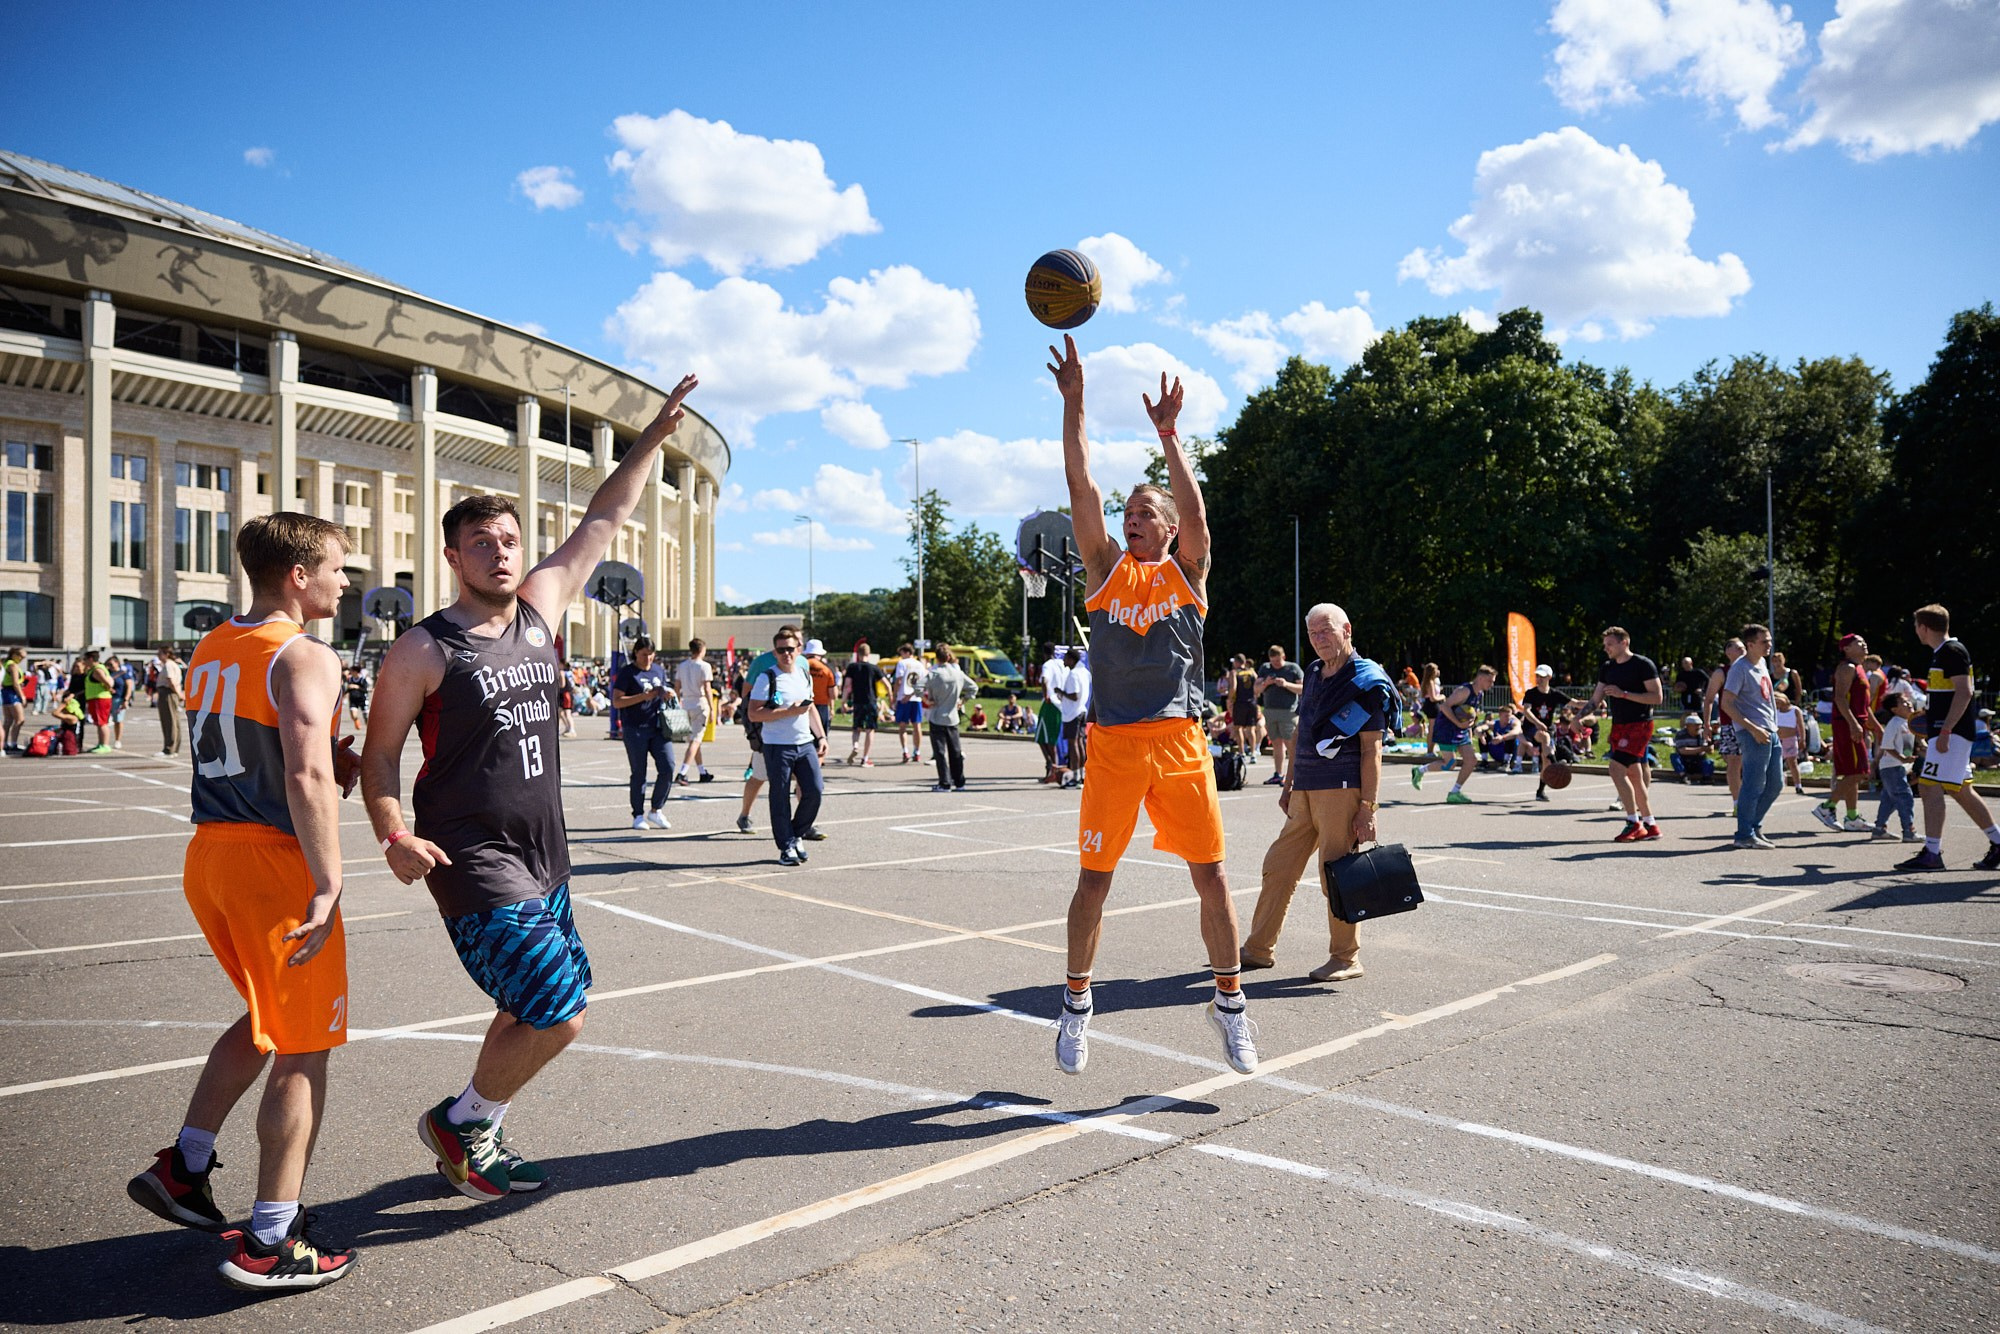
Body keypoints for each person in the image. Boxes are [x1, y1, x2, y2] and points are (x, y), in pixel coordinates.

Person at [361, 371, 698, 1201]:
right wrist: (393, 834)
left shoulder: (543, 608)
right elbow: (378, 756)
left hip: (545, 856)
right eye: (482, 543)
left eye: (508, 540)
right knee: (558, 1008)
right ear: (452, 556)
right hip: (472, 859)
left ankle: (472, 1126)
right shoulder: (423, 649)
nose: (501, 553)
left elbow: (604, 517)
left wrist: (652, 439)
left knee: (545, 1003)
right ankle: (463, 1121)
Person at [125, 512, 359, 1291]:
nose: (345, 581)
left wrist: (332, 758)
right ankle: (272, 1237)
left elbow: (271, 750)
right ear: (298, 576)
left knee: (265, 1021)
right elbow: (303, 774)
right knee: (301, 1047)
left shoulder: (217, 644)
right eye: (336, 567)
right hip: (271, 862)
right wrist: (327, 881)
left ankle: (185, 1166)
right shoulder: (304, 654)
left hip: (212, 853)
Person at [1046, 337, 1256, 1076]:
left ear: (1167, 529)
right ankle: (1075, 1003)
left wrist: (1170, 437)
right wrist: (1074, 405)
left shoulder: (1188, 573)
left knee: (1215, 876)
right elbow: (1081, 487)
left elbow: (1197, 513)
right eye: (1128, 512)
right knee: (1093, 882)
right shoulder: (1105, 572)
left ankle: (1229, 1004)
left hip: (1180, 743)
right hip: (1113, 747)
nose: (1132, 519)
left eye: (1145, 513)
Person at [1240, 602, 1391, 984]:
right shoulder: (1313, 671)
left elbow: (1373, 749)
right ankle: (1258, 949)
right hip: (1306, 787)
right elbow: (1300, 731)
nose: (1320, 639)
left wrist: (1368, 808)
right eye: (1313, 633)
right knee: (1278, 867)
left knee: (1336, 876)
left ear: (1347, 630)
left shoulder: (1366, 679)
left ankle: (1346, 957)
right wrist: (1290, 783)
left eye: (1327, 630)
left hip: (1341, 789)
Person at [1899, 604, 2000, 871]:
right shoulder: (1942, 653)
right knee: (1960, 790)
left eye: (1916, 626)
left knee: (1929, 786)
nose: (1916, 631)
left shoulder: (1952, 651)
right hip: (1947, 732)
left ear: (1924, 627)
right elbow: (1950, 694)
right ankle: (1997, 842)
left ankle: (1932, 853)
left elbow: (1965, 692)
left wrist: (1944, 730)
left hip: (1951, 734)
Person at [747, 625, 828, 865]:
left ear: (799, 649)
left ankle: (796, 833)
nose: (786, 654)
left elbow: (810, 706)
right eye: (781, 650)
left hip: (804, 743)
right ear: (775, 651)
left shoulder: (803, 673)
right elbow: (754, 714)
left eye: (790, 649)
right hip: (777, 745)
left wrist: (821, 736)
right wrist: (788, 711)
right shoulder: (767, 677)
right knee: (779, 796)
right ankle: (786, 846)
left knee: (814, 790)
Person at [1589, 627, 1665, 842]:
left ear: (1624, 643)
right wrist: (1577, 719)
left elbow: (1657, 697)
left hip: (1639, 725)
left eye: (1610, 644)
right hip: (1619, 725)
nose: (1606, 649)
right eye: (1605, 645)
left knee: (1616, 768)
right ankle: (1650, 824)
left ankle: (1633, 822)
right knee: (1635, 775)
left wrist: (1624, 694)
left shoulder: (1643, 664)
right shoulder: (1607, 668)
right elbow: (1596, 699)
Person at [1724, 624, 1782, 850]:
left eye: (1769, 640)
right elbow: (1727, 703)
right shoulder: (1740, 668)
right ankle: (1744, 834)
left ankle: (1753, 826)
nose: (1769, 645)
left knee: (1775, 784)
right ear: (1750, 645)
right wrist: (1752, 728)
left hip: (1770, 731)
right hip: (1753, 733)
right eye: (1764, 641)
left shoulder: (1762, 663)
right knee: (1753, 785)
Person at [1815, 633, 1880, 833]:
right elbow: (1840, 699)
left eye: (1863, 640)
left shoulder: (1860, 669)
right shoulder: (1847, 668)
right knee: (1861, 771)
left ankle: (1852, 818)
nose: (1864, 644)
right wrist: (1853, 724)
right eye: (1858, 642)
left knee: (1853, 772)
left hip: (1855, 723)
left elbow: (1863, 705)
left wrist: (1876, 727)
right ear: (1846, 648)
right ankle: (1826, 808)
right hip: (1846, 724)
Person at [611, 636, 676, 831]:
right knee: (639, 773)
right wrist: (643, 697)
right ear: (636, 654)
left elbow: (663, 690)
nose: (648, 658)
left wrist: (667, 694)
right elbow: (617, 701)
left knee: (668, 766)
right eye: (643, 655)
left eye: (651, 654)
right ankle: (637, 814)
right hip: (635, 728)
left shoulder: (659, 670)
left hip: (658, 727)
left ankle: (656, 809)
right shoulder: (627, 673)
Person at [1411, 666, 1492, 803]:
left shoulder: (1479, 694)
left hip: (1461, 730)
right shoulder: (1464, 691)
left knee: (1471, 760)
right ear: (1480, 678)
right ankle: (1419, 770)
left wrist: (1469, 727)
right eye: (1490, 681)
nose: (1492, 684)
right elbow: (1444, 706)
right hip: (1446, 728)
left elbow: (1469, 714)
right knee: (1450, 764)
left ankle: (1454, 792)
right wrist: (1459, 723)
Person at [1702, 639, 1745, 812]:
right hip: (1730, 724)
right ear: (1728, 651)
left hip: (1752, 724)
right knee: (1734, 762)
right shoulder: (1722, 673)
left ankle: (1749, 800)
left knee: (1752, 763)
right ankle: (1737, 803)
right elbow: (1709, 699)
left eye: (1744, 648)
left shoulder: (1753, 669)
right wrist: (1706, 724)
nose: (1743, 651)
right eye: (1739, 648)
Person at [923, 644, 970, 791]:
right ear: (949, 657)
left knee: (940, 752)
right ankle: (960, 781)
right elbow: (973, 687)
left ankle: (944, 782)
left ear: (937, 658)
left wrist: (927, 701)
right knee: (955, 751)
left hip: (937, 715)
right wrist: (963, 700)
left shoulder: (933, 673)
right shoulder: (957, 672)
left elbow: (918, 687)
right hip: (952, 716)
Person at [1872, 691, 1918, 842]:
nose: (1909, 703)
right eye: (1904, 702)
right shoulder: (1895, 723)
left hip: (1898, 767)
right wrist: (1902, 759)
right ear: (1894, 709)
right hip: (1892, 767)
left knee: (1889, 800)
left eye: (1908, 701)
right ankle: (1909, 831)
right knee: (1905, 798)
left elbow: (1910, 744)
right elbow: (1887, 746)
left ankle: (1879, 829)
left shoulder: (1907, 723)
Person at [1256, 644, 1305, 785]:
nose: (1275, 664)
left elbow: (1303, 689)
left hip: (1288, 712)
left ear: (1283, 657)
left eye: (1278, 661)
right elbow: (1256, 689)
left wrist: (1285, 684)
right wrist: (1266, 683)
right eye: (1273, 661)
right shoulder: (1265, 668)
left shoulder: (1293, 668)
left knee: (1291, 744)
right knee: (1277, 744)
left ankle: (1297, 775)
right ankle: (1278, 774)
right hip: (1270, 711)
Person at [1520, 664, 1567, 800]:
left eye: (1542, 676)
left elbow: (1575, 703)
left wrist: (1596, 702)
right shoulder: (1531, 693)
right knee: (1545, 737)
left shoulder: (1554, 694)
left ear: (1549, 677)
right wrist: (1537, 723)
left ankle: (1540, 791)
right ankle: (1556, 762)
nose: (1539, 679)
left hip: (1547, 728)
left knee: (1545, 762)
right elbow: (1527, 711)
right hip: (1531, 728)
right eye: (1537, 676)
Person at [674, 638, 714, 783]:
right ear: (702, 650)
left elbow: (677, 686)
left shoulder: (682, 666)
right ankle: (682, 772)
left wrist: (678, 702)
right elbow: (708, 688)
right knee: (696, 740)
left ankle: (702, 771)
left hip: (686, 703)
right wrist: (712, 709)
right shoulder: (705, 666)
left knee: (694, 740)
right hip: (700, 702)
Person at [840, 639, 882, 766]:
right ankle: (865, 758)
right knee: (870, 729)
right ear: (869, 654)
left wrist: (843, 702)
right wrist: (890, 696)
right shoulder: (874, 668)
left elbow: (847, 686)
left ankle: (855, 746)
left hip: (857, 701)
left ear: (857, 653)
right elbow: (885, 683)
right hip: (871, 701)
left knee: (856, 728)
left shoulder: (852, 667)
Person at [1055, 646, 1091, 787]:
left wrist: (1060, 692)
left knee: (1073, 744)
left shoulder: (1074, 674)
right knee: (1081, 743)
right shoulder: (1084, 671)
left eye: (1065, 659)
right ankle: (1082, 775)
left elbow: (1075, 696)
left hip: (1073, 713)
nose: (1063, 661)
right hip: (1082, 711)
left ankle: (1076, 777)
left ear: (1071, 659)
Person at [1034, 641, 1066, 782]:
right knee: (1050, 737)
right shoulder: (1061, 664)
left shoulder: (1047, 665)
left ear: (1044, 653)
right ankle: (1053, 767)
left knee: (1042, 737)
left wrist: (1046, 694)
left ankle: (1052, 767)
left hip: (1050, 703)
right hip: (1061, 703)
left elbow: (1044, 680)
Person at [891, 643, 926, 763]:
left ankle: (905, 751)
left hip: (903, 697)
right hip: (916, 698)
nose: (900, 656)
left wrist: (895, 695)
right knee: (917, 725)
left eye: (901, 653)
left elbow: (899, 680)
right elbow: (923, 682)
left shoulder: (902, 663)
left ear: (907, 652)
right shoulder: (920, 664)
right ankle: (917, 751)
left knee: (902, 726)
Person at [78, 648, 115, 753]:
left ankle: (105, 745)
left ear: (90, 659)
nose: (84, 662)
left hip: (100, 698)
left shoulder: (97, 670)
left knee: (102, 722)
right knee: (99, 722)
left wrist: (108, 688)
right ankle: (100, 743)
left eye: (85, 659)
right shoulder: (94, 670)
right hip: (95, 698)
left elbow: (107, 683)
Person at [1773, 690, 1807, 794]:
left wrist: (1802, 739)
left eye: (1779, 702)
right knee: (1776, 763)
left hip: (1790, 739)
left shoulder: (1794, 710)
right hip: (1778, 739)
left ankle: (1798, 785)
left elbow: (1801, 726)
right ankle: (1777, 784)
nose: (1778, 705)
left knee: (1792, 762)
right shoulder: (1776, 711)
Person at [1227, 654, 1261, 757]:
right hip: (1251, 703)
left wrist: (1230, 700)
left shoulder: (1234, 672)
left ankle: (1242, 752)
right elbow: (1257, 686)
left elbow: (1233, 687)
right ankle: (1253, 753)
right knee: (1251, 729)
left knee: (1238, 728)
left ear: (1236, 662)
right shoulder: (1252, 672)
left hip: (1239, 703)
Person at [154, 644, 184, 756]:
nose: (158, 655)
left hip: (168, 693)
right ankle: (174, 748)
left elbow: (170, 681)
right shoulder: (172, 664)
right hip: (170, 693)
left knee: (169, 721)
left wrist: (178, 694)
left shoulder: (169, 665)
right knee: (173, 721)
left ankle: (169, 748)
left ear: (167, 654)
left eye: (160, 653)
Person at [803, 638, 837, 740]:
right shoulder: (826, 670)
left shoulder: (801, 666)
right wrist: (832, 708)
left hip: (803, 705)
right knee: (820, 740)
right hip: (821, 707)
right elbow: (833, 694)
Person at [1671, 715, 1715, 782]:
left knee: (1709, 762)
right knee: (1674, 757)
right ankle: (1683, 775)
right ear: (1688, 726)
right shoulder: (1681, 734)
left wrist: (1710, 745)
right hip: (1685, 760)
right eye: (1695, 725)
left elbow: (1711, 751)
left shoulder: (1703, 734)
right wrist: (1702, 749)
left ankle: (1706, 777)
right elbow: (1682, 751)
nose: (1698, 727)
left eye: (1699, 725)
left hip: (1698, 760)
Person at [1, 645, 25, 753]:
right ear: (14, 655)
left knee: (8, 720)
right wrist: (22, 696)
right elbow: (15, 683)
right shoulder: (13, 666)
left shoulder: (6, 664)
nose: (22, 659)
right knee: (19, 720)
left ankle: (4, 743)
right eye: (21, 657)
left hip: (5, 692)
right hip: (12, 693)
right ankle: (13, 743)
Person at [1484, 704, 1522, 771]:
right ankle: (1484, 761)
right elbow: (1480, 728)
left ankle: (1506, 763)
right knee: (1484, 734)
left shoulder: (1514, 722)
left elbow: (1516, 731)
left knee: (1510, 734)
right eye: (1506, 716)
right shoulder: (1494, 723)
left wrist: (1502, 737)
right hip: (1496, 751)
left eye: (1510, 716)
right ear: (1500, 716)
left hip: (1511, 752)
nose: (1508, 718)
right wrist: (1480, 734)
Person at [1418, 662, 1443, 756]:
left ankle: (1431, 750)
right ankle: (1430, 751)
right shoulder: (1430, 682)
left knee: (1433, 728)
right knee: (1432, 728)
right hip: (1432, 705)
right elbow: (1433, 698)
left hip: (1430, 705)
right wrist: (1442, 696)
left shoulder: (1429, 681)